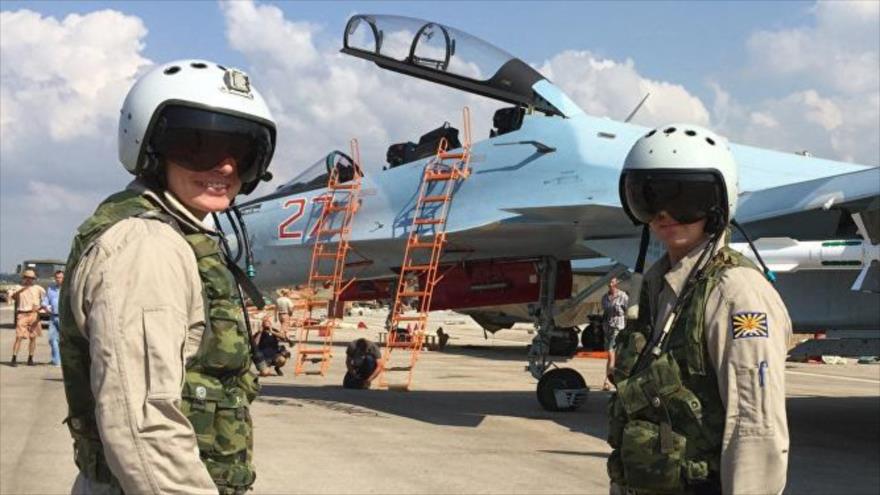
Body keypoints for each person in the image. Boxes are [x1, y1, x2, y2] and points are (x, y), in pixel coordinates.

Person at [58, 60, 277, 494]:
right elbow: (143, 422)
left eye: (242, 151)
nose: (226, 168)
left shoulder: (175, 234)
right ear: (150, 147)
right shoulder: (147, 246)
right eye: (198, 146)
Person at [607, 124, 791, 494]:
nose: (663, 214)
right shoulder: (661, 287)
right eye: (648, 197)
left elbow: (755, 427)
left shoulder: (737, 293)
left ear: (717, 203)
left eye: (685, 198)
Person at [10, 269, 46, 366]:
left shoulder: (39, 288)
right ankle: (14, 358)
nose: (29, 280)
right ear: (23, 278)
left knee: (33, 337)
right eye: (27, 278)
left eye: (31, 278)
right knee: (19, 336)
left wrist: (41, 307)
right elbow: (12, 297)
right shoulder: (18, 287)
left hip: (34, 314)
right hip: (22, 313)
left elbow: (45, 300)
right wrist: (22, 289)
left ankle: (30, 358)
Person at [601, 277, 628, 391]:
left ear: (616, 283)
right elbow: (605, 311)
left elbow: (629, 310)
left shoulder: (623, 296)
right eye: (609, 282)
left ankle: (611, 379)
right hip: (608, 327)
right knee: (610, 355)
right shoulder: (605, 297)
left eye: (612, 281)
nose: (609, 284)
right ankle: (607, 381)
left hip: (618, 327)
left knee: (611, 352)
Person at [41, 270, 64, 367]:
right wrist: (45, 306)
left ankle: (64, 360)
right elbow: (46, 301)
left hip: (64, 318)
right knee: (52, 339)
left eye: (60, 277)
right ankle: (56, 360)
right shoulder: (50, 289)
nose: (58, 279)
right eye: (57, 277)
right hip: (53, 317)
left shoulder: (69, 289)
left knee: (65, 340)